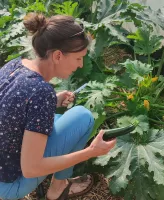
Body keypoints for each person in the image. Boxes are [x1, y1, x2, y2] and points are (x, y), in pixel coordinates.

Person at [0, 13, 116, 200]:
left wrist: (54, 100)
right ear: (58, 56)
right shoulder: (40, 92)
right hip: (9, 185)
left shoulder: (15, 65)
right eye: (79, 58)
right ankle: (58, 187)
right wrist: (90, 152)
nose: (80, 65)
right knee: (83, 118)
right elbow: (31, 169)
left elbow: (13, 108)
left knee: (63, 118)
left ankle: (59, 183)